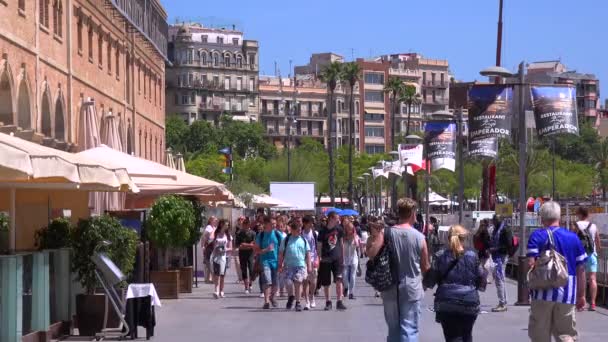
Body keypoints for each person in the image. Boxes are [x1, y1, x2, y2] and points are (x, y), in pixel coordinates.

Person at [366, 198, 430, 342]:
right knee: (410, 329)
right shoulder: (420, 237)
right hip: (411, 287)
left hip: (389, 286)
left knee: (393, 329)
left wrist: (376, 238)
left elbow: (371, 254)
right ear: (413, 213)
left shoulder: (386, 233)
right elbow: (426, 266)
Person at [527, 201, 587, 341]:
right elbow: (581, 269)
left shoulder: (537, 236)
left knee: (539, 335)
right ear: (559, 217)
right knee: (566, 333)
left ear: (542, 217)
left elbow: (531, 264)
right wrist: (581, 295)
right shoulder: (573, 238)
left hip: (542, 293)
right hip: (567, 292)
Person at [423, 225, 487, 342]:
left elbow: (430, 281)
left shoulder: (440, 255)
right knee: (467, 335)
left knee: (452, 337)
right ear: (464, 239)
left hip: (446, 301)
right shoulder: (472, 255)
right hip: (469, 301)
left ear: (448, 238)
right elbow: (482, 278)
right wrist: (474, 288)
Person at [278, 221, 312, 312]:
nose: (299, 232)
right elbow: (281, 253)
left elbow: (308, 253)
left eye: (300, 230)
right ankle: (291, 296)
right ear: (292, 230)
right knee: (288, 283)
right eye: (297, 230)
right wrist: (280, 265)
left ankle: (298, 303)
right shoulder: (286, 240)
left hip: (300, 266)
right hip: (288, 266)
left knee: (298, 283)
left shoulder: (303, 240)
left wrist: (309, 266)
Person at [317, 211, 347, 311]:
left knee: (339, 280)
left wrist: (343, 257)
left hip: (337, 258)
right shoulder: (322, 231)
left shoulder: (339, 229)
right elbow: (319, 245)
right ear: (330, 219)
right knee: (326, 282)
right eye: (336, 218)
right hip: (326, 259)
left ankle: (339, 301)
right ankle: (328, 302)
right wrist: (319, 257)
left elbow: (342, 244)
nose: (338, 220)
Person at [254, 215, 284, 309]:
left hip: (276, 261)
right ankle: (266, 301)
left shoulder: (278, 234)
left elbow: (282, 249)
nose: (274, 225)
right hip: (265, 261)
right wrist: (266, 250)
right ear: (266, 224)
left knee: (275, 283)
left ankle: (272, 297)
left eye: (275, 223)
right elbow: (257, 250)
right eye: (272, 224)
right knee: (267, 281)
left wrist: (281, 261)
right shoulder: (261, 235)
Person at [575, 206, 601, 311]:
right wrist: (597, 251)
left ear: (580, 214)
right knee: (592, 279)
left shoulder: (577, 225)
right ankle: (593, 303)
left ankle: (582, 301)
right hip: (592, 255)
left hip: (580, 256)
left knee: (581, 279)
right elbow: (597, 241)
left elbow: (572, 239)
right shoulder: (594, 226)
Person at [488, 215, 513, 312]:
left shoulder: (505, 229)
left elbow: (508, 245)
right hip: (496, 256)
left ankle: (502, 303)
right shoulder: (496, 229)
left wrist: (495, 249)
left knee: (499, 279)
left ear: (499, 220)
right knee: (500, 279)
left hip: (501, 256)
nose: (493, 222)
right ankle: (503, 301)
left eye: (495, 220)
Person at [210, 219, 232, 299]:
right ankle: (216, 290)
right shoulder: (216, 234)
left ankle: (221, 291)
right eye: (226, 225)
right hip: (216, 256)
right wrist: (217, 247)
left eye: (228, 225)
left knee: (222, 275)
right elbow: (213, 245)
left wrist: (224, 249)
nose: (227, 226)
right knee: (216, 274)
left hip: (224, 257)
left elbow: (230, 248)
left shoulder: (228, 235)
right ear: (221, 225)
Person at [301, 215, 319, 310]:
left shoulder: (314, 233)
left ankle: (312, 296)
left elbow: (317, 247)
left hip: (313, 258)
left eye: (312, 223)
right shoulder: (301, 234)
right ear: (304, 224)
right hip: (303, 259)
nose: (311, 224)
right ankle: (307, 301)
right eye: (309, 223)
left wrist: (317, 258)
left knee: (313, 281)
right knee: (305, 280)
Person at [235, 217, 256, 294]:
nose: (245, 226)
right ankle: (246, 287)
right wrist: (248, 245)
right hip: (242, 253)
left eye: (247, 224)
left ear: (249, 225)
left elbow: (254, 244)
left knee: (251, 269)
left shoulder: (253, 233)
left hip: (250, 253)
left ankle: (250, 284)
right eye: (244, 224)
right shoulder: (239, 233)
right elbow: (238, 245)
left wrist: (245, 245)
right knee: (243, 269)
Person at [343, 219, 360, 300]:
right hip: (345, 259)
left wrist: (354, 239)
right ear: (346, 229)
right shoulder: (342, 238)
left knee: (353, 276)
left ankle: (351, 293)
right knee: (345, 276)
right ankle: (346, 287)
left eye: (351, 228)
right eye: (348, 228)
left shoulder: (356, 237)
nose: (350, 230)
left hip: (354, 259)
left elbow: (357, 247)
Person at [473, 219, 493, 285]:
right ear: (487, 224)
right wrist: (490, 245)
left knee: (482, 264)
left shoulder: (478, 230)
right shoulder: (485, 231)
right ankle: (483, 279)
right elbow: (487, 242)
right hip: (485, 251)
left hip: (480, 250)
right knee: (487, 265)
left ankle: (481, 278)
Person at [201, 216, 218, 284]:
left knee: (210, 262)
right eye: (215, 220)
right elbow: (204, 237)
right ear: (211, 220)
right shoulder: (209, 227)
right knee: (209, 262)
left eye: (216, 220)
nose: (216, 221)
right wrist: (203, 246)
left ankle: (208, 278)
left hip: (213, 246)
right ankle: (211, 278)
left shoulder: (214, 228)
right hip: (209, 246)